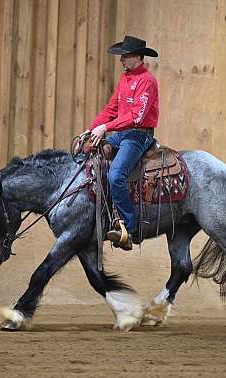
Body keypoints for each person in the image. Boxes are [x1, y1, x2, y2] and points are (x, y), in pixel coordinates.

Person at [83, 35, 159, 251]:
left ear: (137, 57)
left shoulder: (148, 81)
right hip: (121, 133)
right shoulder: (125, 79)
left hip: (138, 135)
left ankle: (129, 228)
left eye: (124, 56)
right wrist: (90, 130)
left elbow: (137, 116)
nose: (121, 60)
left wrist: (106, 128)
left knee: (116, 175)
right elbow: (111, 109)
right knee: (89, 154)